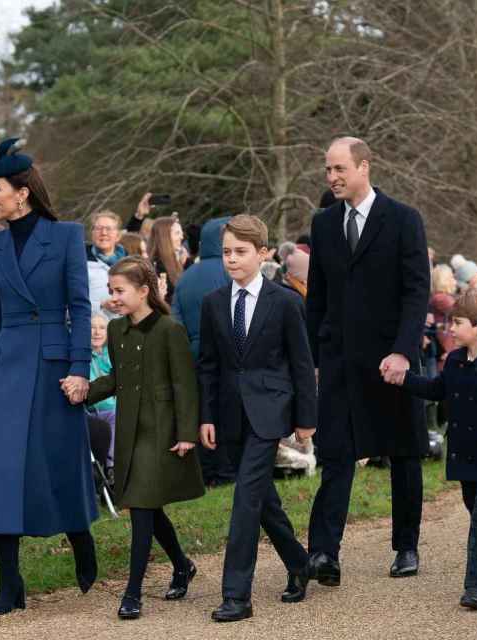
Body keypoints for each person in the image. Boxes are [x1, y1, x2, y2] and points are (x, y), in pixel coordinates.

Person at [0, 138, 98, 615]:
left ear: (22, 191)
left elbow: (79, 309)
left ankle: (82, 540)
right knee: (2, 473)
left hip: (53, 365)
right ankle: (10, 582)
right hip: (6, 367)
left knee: (59, 461)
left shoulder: (65, 236)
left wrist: (80, 369)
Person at [306, 137, 430, 584]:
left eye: (340, 169)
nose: (333, 178)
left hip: (391, 359)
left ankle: (406, 546)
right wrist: (313, 356)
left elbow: (417, 291)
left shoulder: (402, 220)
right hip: (338, 359)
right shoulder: (323, 225)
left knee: (403, 452)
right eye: (328, 170)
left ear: (364, 167)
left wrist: (402, 350)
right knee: (336, 453)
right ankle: (323, 552)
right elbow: (316, 296)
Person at [198, 215, 316, 622]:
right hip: (230, 415)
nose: (232, 259)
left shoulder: (286, 302)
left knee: (246, 499)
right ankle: (300, 563)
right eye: (227, 252)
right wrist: (206, 416)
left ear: (263, 254)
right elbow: (209, 366)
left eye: (241, 252)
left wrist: (306, 419)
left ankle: (236, 595)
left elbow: (302, 364)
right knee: (262, 497)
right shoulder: (213, 303)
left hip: (271, 412)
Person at [390, 291, 477, 610]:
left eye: (458, 322)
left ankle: (474, 587)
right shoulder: (454, 360)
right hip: (464, 453)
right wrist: (404, 379)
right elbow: (438, 390)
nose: (450, 328)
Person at [86, 256, 204, 619]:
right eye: (110, 291)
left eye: (120, 291)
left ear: (143, 291)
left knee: (140, 509)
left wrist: (187, 434)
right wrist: (82, 392)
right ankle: (182, 565)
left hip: (162, 433)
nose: (113, 297)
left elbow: (185, 386)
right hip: (130, 432)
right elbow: (116, 380)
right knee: (147, 508)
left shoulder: (170, 330)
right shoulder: (117, 331)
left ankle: (133, 592)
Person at [171, 216, 231, 360]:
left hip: (195, 355)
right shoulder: (234, 270)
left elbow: (176, 321)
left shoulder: (185, 277)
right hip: (228, 352)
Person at [86, 210, 127, 318]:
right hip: (93, 330)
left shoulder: (130, 264)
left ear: (118, 235)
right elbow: (71, 302)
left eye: (109, 229)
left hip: (123, 330)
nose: (104, 233)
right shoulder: (79, 262)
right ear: (92, 233)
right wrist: (101, 305)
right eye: (99, 228)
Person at [89, 313, 116, 468]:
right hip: (92, 411)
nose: (97, 332)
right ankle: (110, 465)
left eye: (101, 328)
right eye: (92, 328)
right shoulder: (82, 357)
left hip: (114, 409)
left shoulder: (113, 355)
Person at [148, 216, 186, 305]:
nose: (182, 237)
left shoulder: (173, 261)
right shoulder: (156, 265)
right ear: (164, 236)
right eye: (177, 233)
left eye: (181, 233)